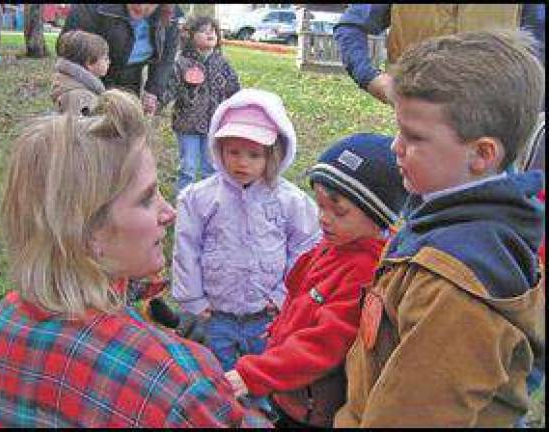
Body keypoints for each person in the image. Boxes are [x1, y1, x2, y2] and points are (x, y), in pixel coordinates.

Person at [0, 89, 272, 428]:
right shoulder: (178, 383)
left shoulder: (8, 317)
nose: (169, 212)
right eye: (146, 199)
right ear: (86, 233)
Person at [334, 30, 545, 428]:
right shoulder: (445, 209)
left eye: (414, 137)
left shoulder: (453, 287)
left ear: (481, 154)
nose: (395, 147)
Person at [224, 133, 408, 428]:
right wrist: (279, 328)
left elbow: (325, 344)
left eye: (338, 210)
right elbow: (301, 295)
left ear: (379, 215)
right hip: (289, 386)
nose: (324, 218)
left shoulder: (363, 272)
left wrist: (255, 373)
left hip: (311, 408)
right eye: (320, 205)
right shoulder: (336, 243)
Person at [171, 88, 322, 375]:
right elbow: (186, 248)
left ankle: (262, 413)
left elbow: (305, 248)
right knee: (215, 372)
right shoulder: (200, 198)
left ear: (273, 154)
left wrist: (282, 296)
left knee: (263, 373)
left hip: (265, 314)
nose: (242, 162)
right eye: (234, 152)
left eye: (254, 155)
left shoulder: (290, 200)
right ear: (219, 149)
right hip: (215, 312)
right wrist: (192, 298)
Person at [334, 4, 546, 105]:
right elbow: (350, 26)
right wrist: (373, 80)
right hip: (417, 118)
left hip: (491, 118)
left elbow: (537, 52)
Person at [160, 15, 240, 193]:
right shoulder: (181, 63)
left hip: (215, 125)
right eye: (203, 31)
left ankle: (209, 201)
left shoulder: (222, 63)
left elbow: (234, 90)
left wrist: (240, 111)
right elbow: (170, 89)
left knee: (211, 167)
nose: (210, 34)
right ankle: (184, 201)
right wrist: (157, 104)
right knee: (187, 167)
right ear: (190, 36)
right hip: (187, 124)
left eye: (213, 31)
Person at [60, 4, 183, 115]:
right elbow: (67, 46)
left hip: (130, 79)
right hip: (86, 77)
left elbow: (166, 58)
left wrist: (153, 90)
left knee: (123, 129)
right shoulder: (91, 7)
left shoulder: (170, 15)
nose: (141, 6)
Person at [51, 30, 109, 115]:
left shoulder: (74, 85)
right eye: (105, 58)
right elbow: (77, 126)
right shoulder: (80, 97)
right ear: (89, 62)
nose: (109, 62)